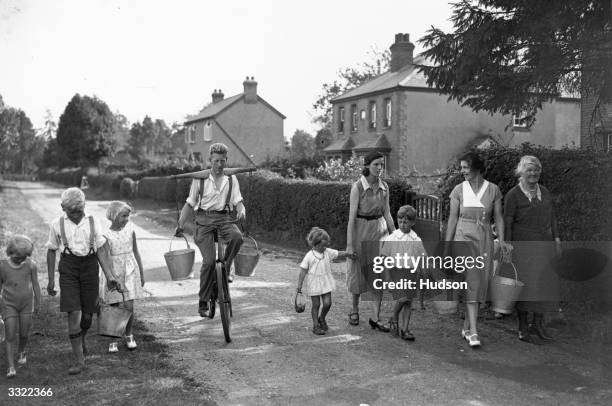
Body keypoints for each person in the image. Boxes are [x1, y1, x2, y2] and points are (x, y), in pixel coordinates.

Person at [46, 187, 121, 375]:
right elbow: (51, 250)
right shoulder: (56, 224)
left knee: (88, 315)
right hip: (68, 268)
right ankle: (79, 360)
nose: (76, 215)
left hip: (89, 267)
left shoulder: (93, 221)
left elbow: (101, 250)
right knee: (74, 312)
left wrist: (110, 276)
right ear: (63, 208)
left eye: (79, 211)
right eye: (72, 212)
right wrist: (50, 280)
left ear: (84, 206)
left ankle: (82, 338)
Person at [444, 152, 510, 348]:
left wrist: (502, 240)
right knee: (473, 280)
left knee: (481, 282)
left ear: (477, 169)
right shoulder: (458, 190)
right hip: (463, 238)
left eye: (465, 168)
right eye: (462, 167)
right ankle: (473, 331)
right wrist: (447, 246)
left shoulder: (493, 190)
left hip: (485, 240)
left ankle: (466, 327)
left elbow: (498, 218)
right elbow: (453, 219)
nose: (462, 171)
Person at [176, 143, 246, 317]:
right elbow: (190, 203)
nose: (219, 165)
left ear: (226, 160)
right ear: (210, 160)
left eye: (222, 161)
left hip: (224, 219)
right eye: (216, 161)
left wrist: (241, 209)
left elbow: (238, 201)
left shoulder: (231, 179)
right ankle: (203, 300)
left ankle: (226, 269)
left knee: (237, 237)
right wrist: (180, 224)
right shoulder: (199, 179)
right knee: (208, 262)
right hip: (204, 221)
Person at [503, 155, 561, 343]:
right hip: (523, 247)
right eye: (529, 170)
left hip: (544, 246)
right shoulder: (513, 195)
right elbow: (508, 223)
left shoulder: (544, 192)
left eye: (536, 170)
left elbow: (552, 218)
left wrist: (557, 240)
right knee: (525, 286)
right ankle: (522, 326)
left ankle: (538, 324)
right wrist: (507, 247)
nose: (533, 173)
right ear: (521, 172)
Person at [346, 151, 395, 329]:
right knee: (358, 273)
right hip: (361, 231)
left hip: (380, 232)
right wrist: (350, 245)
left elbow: (387, 213)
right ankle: (354, 309)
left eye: (382, 164)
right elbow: (351, 218)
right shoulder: (358, 187)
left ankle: (375, 316)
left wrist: (395, 236)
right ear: (367, 165)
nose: (380, 168)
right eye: (376, 164)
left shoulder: (385, 187)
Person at [100, 201, 145, 353]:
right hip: (114, 272)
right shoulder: (106, 235)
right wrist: (111, 277)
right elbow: (105, 258)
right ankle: (114, 338)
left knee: (129, 305)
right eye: (123, 216)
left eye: (128, 216)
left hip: (130, 272)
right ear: (113, 216)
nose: (126, 219)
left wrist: (142, 272)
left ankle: (129, 334)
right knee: (115, 306)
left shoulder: (131, 231)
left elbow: (137, 252)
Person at [379, 205, 426, 341]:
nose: (402, 224)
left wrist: (423, 272)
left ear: (412, 222)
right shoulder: (392, 238)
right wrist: (387, 276)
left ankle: (404, 329)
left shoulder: (416, 240)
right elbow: (385, 257)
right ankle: (394, 318)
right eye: (400, 221)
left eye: (406, 222)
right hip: (396, 272)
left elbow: (422, 257)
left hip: (412, 273)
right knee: (402, 299)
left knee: (408, 303)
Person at [296, 227, 354, 335]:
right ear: (315, 244)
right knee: (316, 305)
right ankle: (315, 326)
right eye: (323, 245)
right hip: (314, 283)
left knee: (328, 303)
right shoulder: (309, 256)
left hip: (326, 281)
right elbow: (302, 271)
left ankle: (321, 318)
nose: (325, 247)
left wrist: (349, 254)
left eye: (326, 245)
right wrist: (299, 287)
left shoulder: (327, 252)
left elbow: (338, 253)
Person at [0, 235, 42, 378]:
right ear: (10, 252)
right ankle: (11, 366)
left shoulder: (31, 265)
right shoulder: (2, 266)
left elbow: (35, 284)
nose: (21, 260)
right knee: (10, 334)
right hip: (8, 304)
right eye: (18, 257)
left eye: (24, 257)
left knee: (24, 333)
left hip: (26, 304)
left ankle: (22, 351)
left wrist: (38, 302)